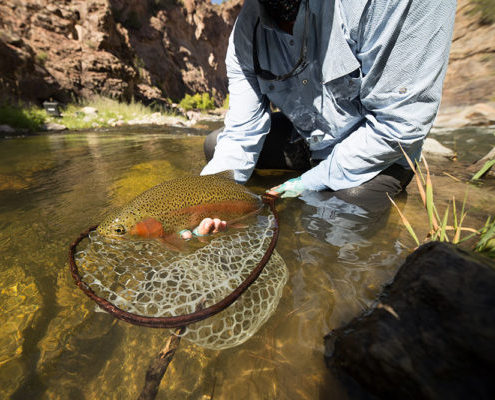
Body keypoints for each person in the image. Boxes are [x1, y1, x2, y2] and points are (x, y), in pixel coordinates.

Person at [182, 0, 456, 239]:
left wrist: (309, 182)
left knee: (342, 211)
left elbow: (400, 124)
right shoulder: (246, 31)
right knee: (215, 145)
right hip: (309, 138)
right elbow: (241, 134)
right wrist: (203, 203)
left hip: (381, 148)